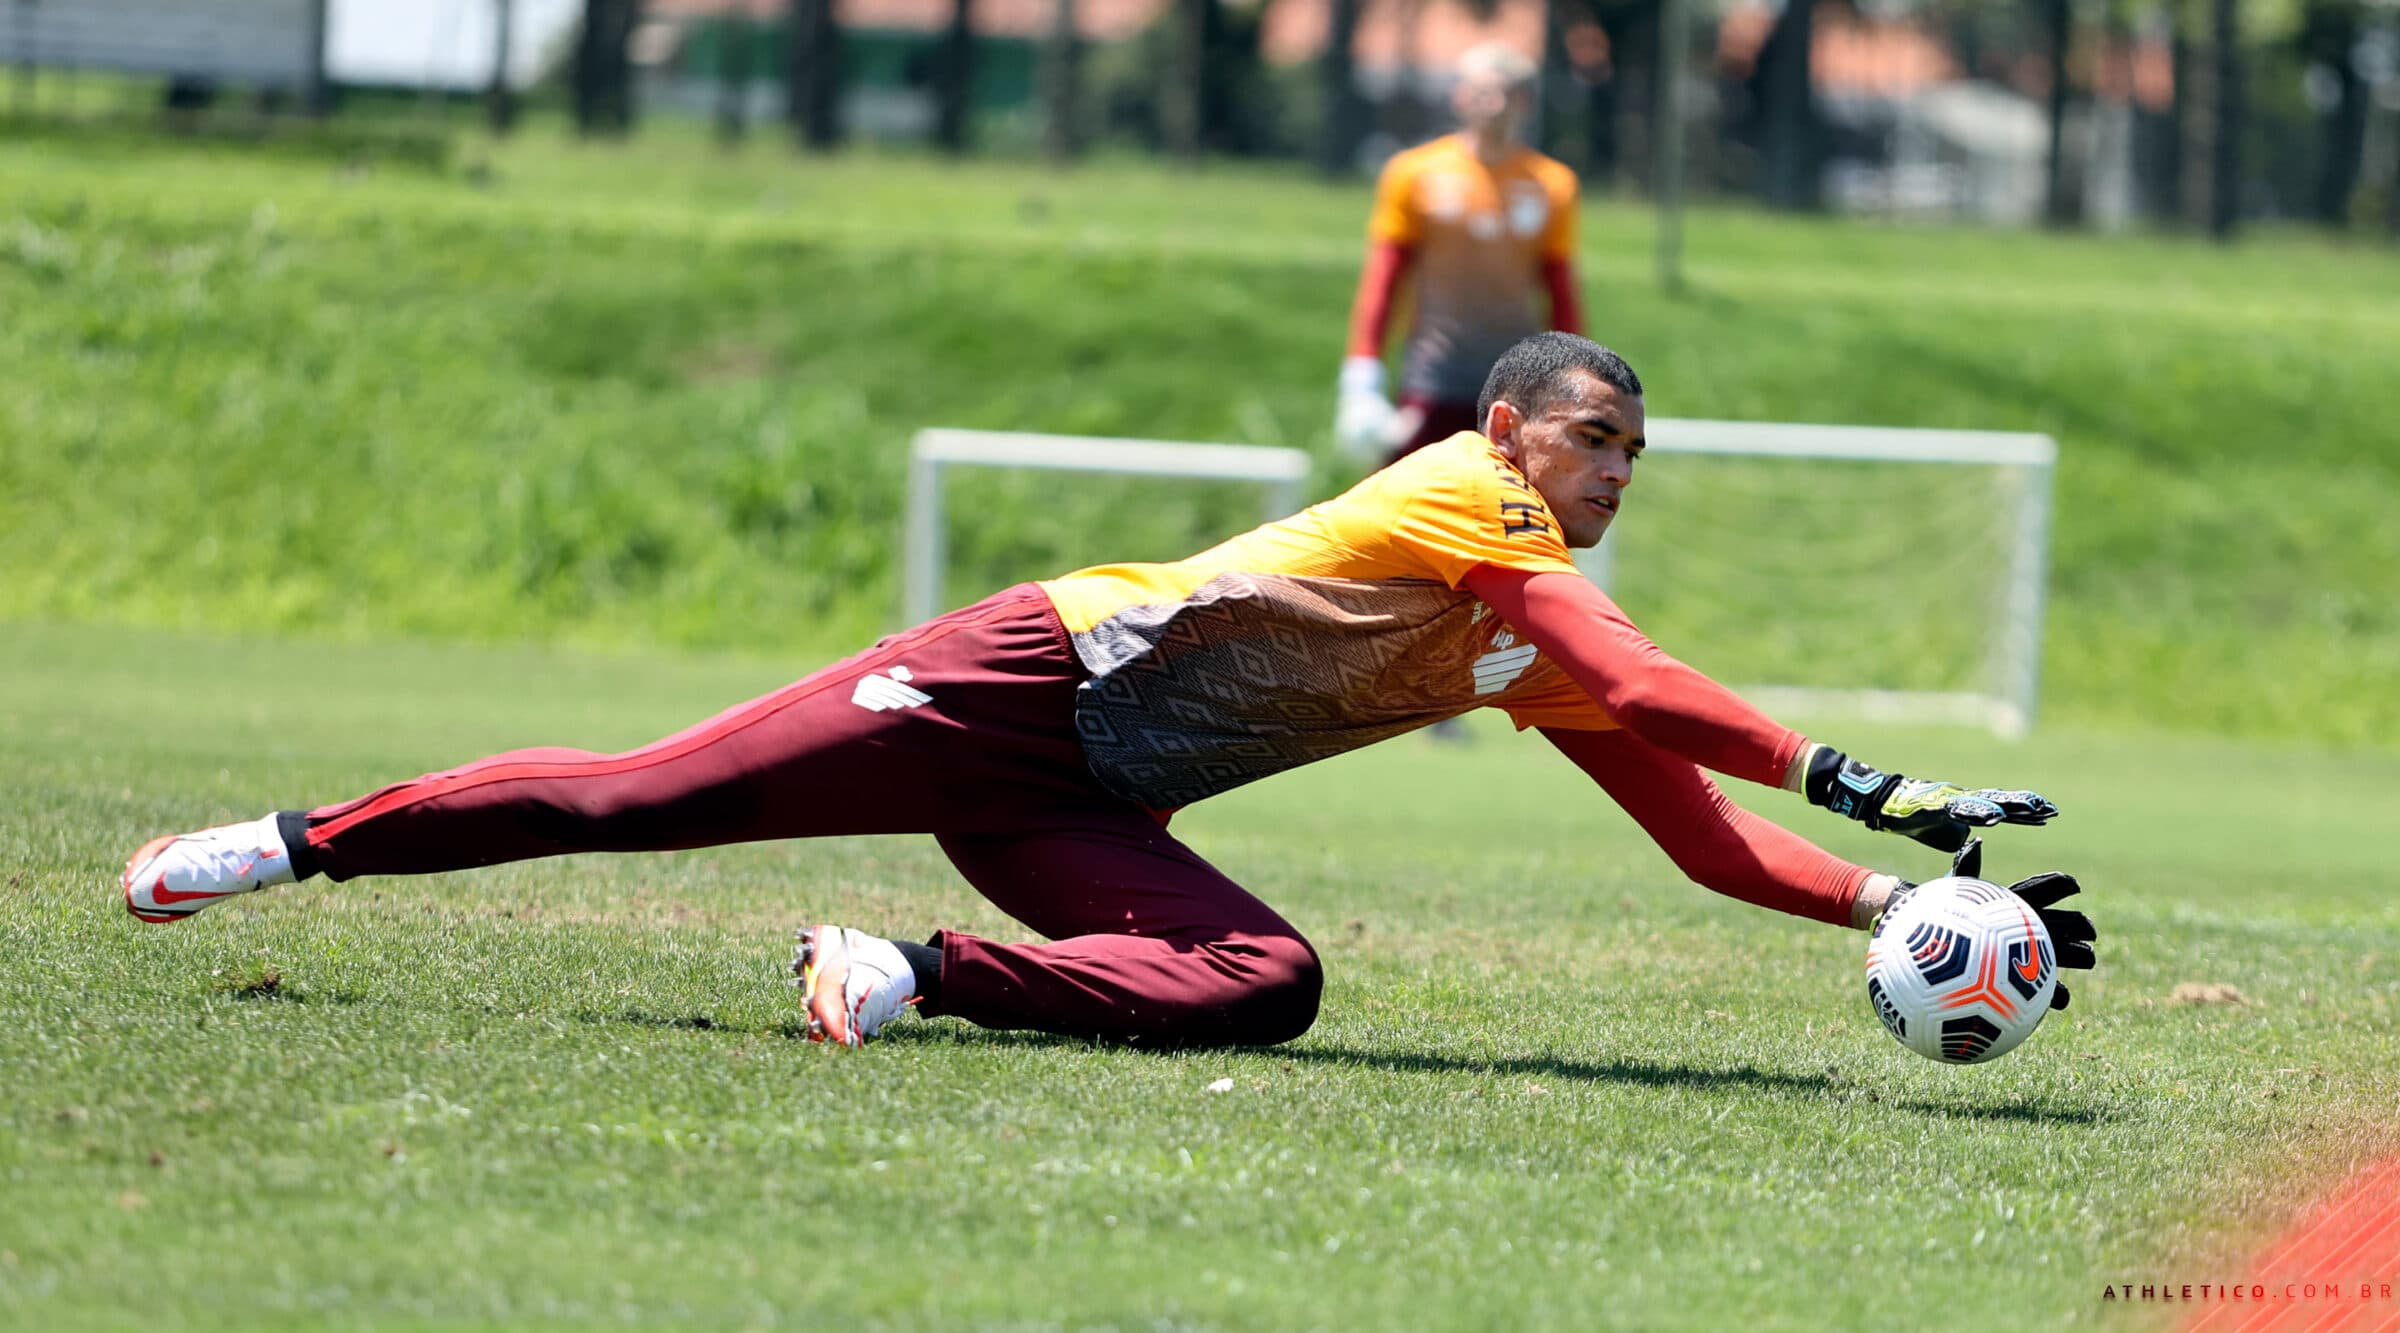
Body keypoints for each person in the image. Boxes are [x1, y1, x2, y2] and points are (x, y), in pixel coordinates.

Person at [122, 334, 2096, 1050]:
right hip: (1009, 681)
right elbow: (1635, 672)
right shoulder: (1468, 495)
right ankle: (293, 846)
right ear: (1510, 430)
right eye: (1593, 438)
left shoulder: (1531, 616)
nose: (1610, 472)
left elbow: (1691, 827)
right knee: (639, 799)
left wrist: (1891, 893)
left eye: (1631, 456)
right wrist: (1867, 776)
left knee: (1269, 983)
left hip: (1079, 805)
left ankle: (904, 970)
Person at [1336, 44, 1585, 467]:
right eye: (1481, 92)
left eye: (1506, 93)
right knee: (1412, 493)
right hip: (1434, 372)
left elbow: (1560, 290)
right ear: (1459, 97)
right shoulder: (1414, 173)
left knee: (1509, 501)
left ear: (1525, 102)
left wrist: (1573, 376)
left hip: (1516, 381)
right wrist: (1363, 371)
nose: (1493, 104)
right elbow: (1385, 277)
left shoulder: (1552, 184)